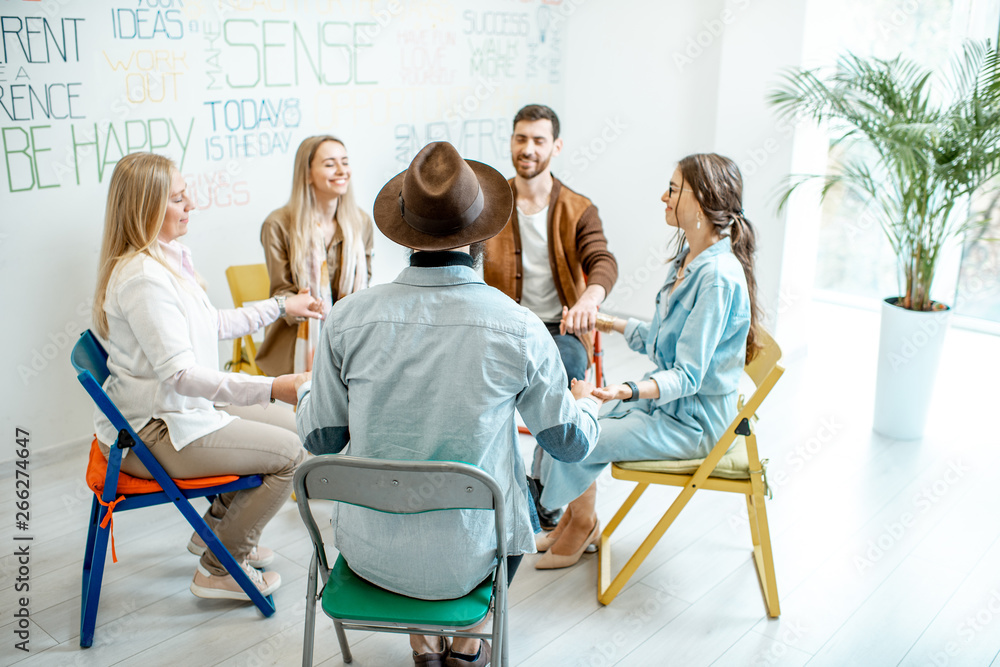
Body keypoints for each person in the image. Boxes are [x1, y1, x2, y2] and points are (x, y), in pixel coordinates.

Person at [296, 141, 603, 667]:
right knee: (509, 494)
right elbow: (567, 444)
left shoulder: (347, 320)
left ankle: (423, 643)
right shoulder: (519, 327)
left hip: (370, 556)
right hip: (471, 559)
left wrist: (306, 393)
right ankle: (465, 647)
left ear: (404, 232)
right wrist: (587, 405)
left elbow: (321, 439)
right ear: (483, 234)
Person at [91, 152, 319, 600]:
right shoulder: (143, 279)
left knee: (298, 428)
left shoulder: (164, 261)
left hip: (177, 411)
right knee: (290, 453)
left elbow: (211, 324)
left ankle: (214, 530)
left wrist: (280, 306)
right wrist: (273, 386)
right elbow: (181, 375)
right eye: (177, 198)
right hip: (154, 433)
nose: (190, 204)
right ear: (146, 208)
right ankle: (219, 565)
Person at [533, 153, 763, 570]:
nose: (664, 196)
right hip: (670, 407)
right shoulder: (689, 261)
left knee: (582, 433)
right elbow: (662, 342)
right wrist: (607, 322)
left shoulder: (716, 278)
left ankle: (579, 523)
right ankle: (574, 518)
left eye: (673, 190)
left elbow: (688, 376)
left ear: (702, 198)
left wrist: (625, 390)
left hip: (693, 424)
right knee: (579, 419)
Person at [483, 104, 618, 530]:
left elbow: (601, 259)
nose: (528, 148)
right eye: (521, 138)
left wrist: (589, 300)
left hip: (560, 327)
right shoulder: (492, 202)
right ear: (511, 142)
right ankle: (491, 480)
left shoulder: (577, 207)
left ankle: (542, 488)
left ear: (555, 147)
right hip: (502, 325)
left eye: (538, 140)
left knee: (563, 373)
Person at [255, 135, 374, 376]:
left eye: (345, 162)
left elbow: (366, 286)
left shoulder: (361, 222)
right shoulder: (277, 224)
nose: (342, 171)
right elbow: (282, 294)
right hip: (295, 346)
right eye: (330, 164)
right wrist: (303, 304)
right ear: (307, 174)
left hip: (352, 341)